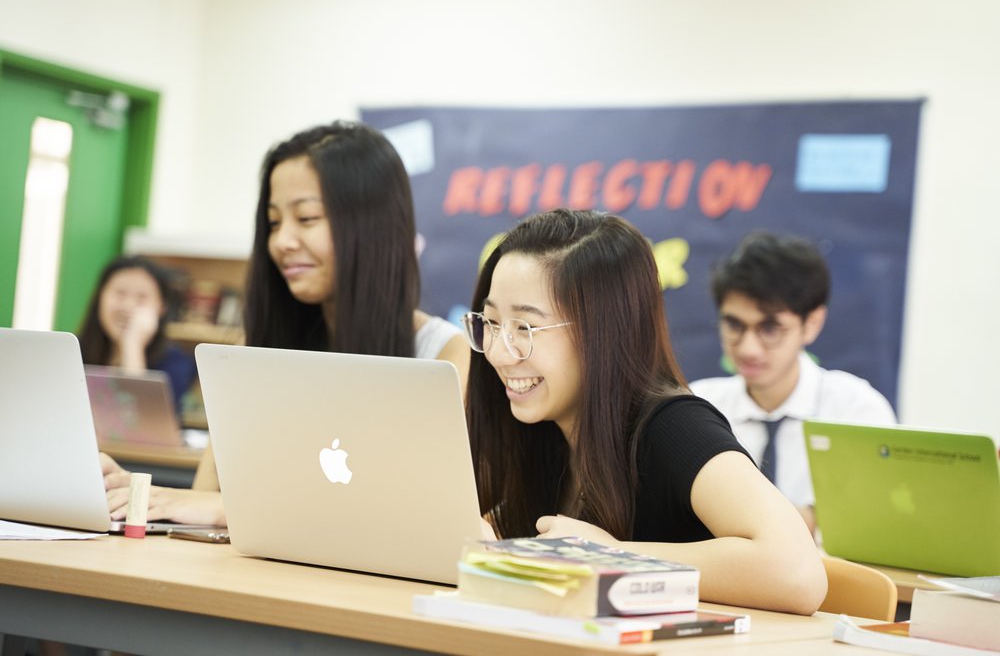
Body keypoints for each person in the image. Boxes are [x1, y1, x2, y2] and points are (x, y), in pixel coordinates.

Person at [102, 121, 469, 526]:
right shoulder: (256, 346)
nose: (281, 241)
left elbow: (414, 517)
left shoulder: (446, 356)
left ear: (373, 227)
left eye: (307, 218)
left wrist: (231, 510)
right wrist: (136, 493)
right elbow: (204, 495)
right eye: (274, 223)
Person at [462, 209, 827, 615]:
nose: (497, 351)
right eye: (491, 322)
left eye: (525, 329)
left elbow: (798, 573)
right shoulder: (540, 427)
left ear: (602, 332)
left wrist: (614, 556)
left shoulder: (673, 426)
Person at [690, 231, 896, 534]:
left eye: (770, 328)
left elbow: (874, 529)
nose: (748, 348)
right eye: (734, 325)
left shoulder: (857, 411)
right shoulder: (697, 407)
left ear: (811, 324)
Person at [78, 255, 197, 413]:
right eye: (120, 293)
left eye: (142, 297)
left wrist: (132, 344)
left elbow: (141, 420)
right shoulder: (73, 351)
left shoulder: (176, 362)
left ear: (161, 307)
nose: (128, 305)